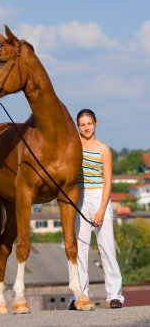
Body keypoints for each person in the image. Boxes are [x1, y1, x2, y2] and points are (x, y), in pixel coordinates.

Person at [69, 109, 124, 310]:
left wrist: (101, 209)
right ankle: (79, 296)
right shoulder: (74, 147)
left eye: (89, 123)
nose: (86, 127)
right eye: (82, 124)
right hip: (80, 197)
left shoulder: (103, 149)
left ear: (95, 123)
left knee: (107, 248)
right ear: (78, 126)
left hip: (99, 196)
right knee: (80, 249)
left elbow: (108, 181)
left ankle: (115, 295)